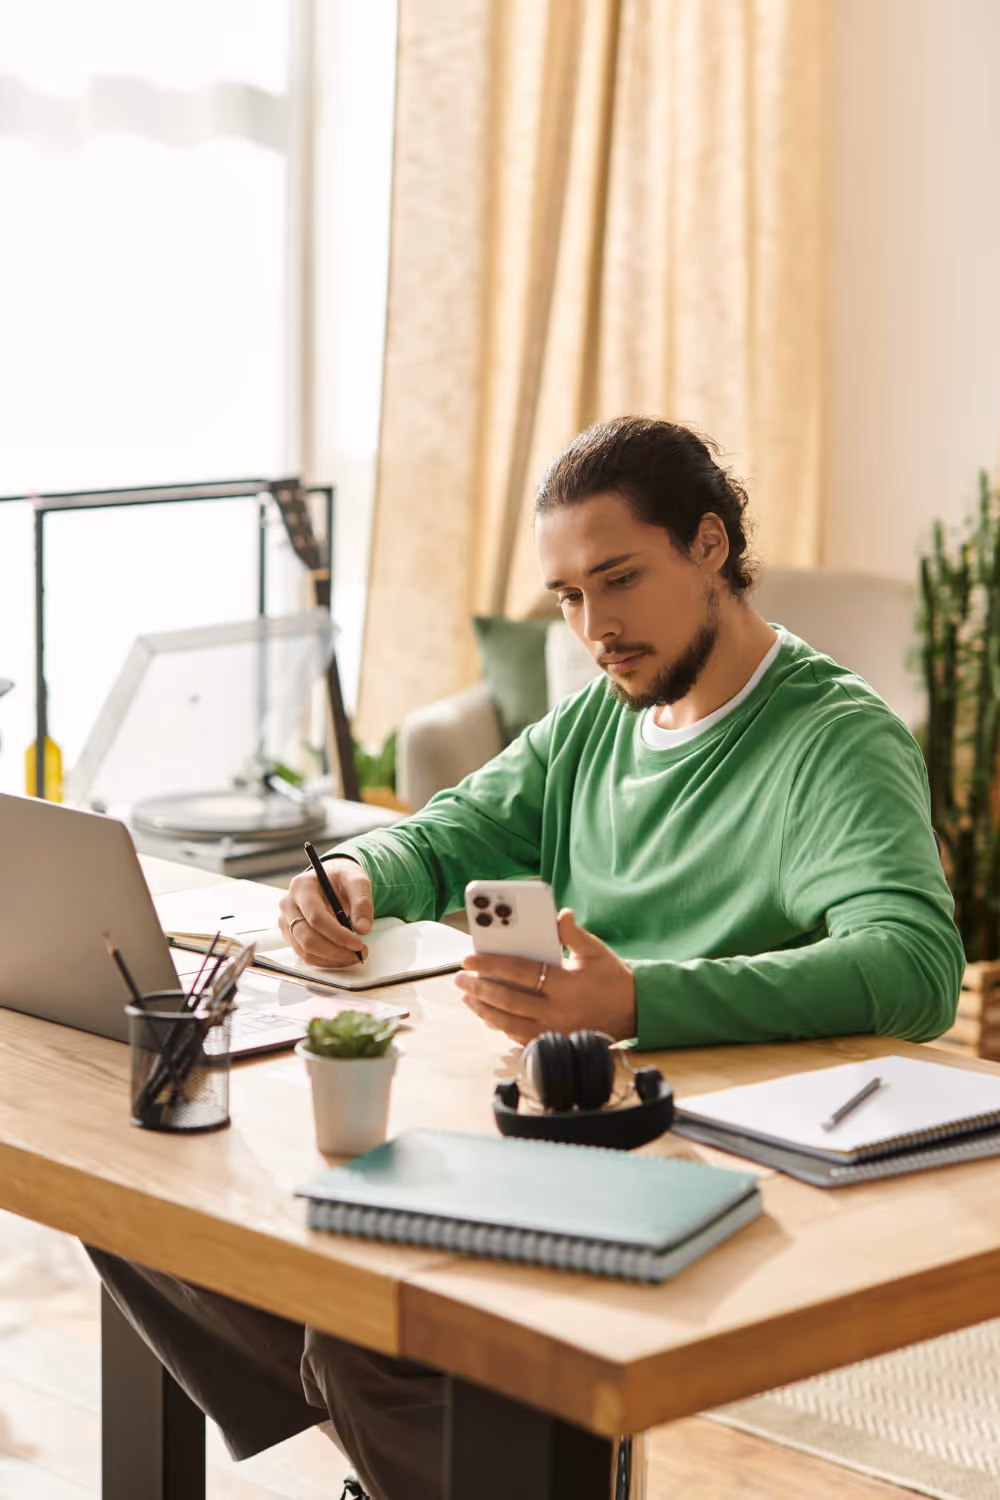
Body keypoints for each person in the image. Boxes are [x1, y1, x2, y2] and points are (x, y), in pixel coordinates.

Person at [90, 417, 964, 1500]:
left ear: (708, 545)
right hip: (556, 1128)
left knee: (368, 1329)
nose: (594, 626)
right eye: (567, 597)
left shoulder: (836, 739)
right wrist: (361, 879)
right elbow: (449, 832)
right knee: (151, 1213)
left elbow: (917, 968)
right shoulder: (597, 720)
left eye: (618, 579)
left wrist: (637, 998)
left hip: (715, 1163)